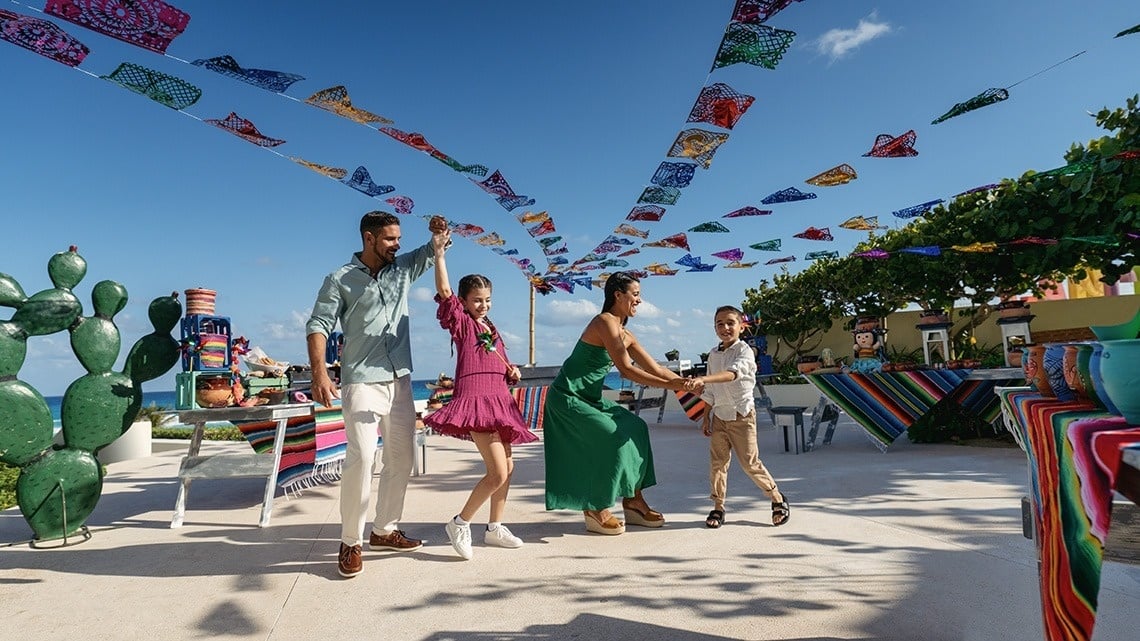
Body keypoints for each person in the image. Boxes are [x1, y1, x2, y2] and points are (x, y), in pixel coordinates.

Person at [306, 211, 450, 578]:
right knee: (363, 456)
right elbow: (318, 325)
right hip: (360, 380)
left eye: (398, 238)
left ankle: (384, 529)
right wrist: (320, 372)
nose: (396, 245)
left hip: (400, 378)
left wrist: (438, 233)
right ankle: (350, 540)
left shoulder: (402, 269)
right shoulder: (339, 279)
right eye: (389, 239)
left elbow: (433, 251)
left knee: (401, 458)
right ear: (369, 238)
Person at [542, 271, 696, 535]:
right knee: (611, 436)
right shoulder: (604, 322)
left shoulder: (626, 334)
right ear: (617, 295)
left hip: (590, 398)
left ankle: (634, 502)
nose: (639, 300)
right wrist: (673, 385)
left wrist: (684, 383)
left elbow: (657, 369)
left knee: (636, 427)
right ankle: (595, 506)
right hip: (567, 396)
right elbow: (625, 369)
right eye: (635, 294)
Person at [423, 244, 539, 560]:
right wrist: (440, 254)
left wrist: (510, 370)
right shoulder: (463, 323)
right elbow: (444, 290)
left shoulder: (491, 327)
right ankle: (460, 523)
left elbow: (495, 358)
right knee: (497, 472)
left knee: (509, 467)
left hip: (500, 400)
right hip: (477, 402)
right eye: (477, 300)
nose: (483, 305)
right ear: (463, 301)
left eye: (487, 300)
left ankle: (495, 528)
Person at [693, 305, 789, 529]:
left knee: (750, 463)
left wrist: (703, 380)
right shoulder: (713, 355)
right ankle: (718, 507)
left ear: (741, 327)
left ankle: (777, 498)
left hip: (741, 416)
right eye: (719, 324)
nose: (725, 328)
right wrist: (706, 417)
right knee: (717, 464)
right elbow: (710, 394)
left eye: (730, 323)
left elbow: (731, 374)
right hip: (719, 417)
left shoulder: (745, 351)